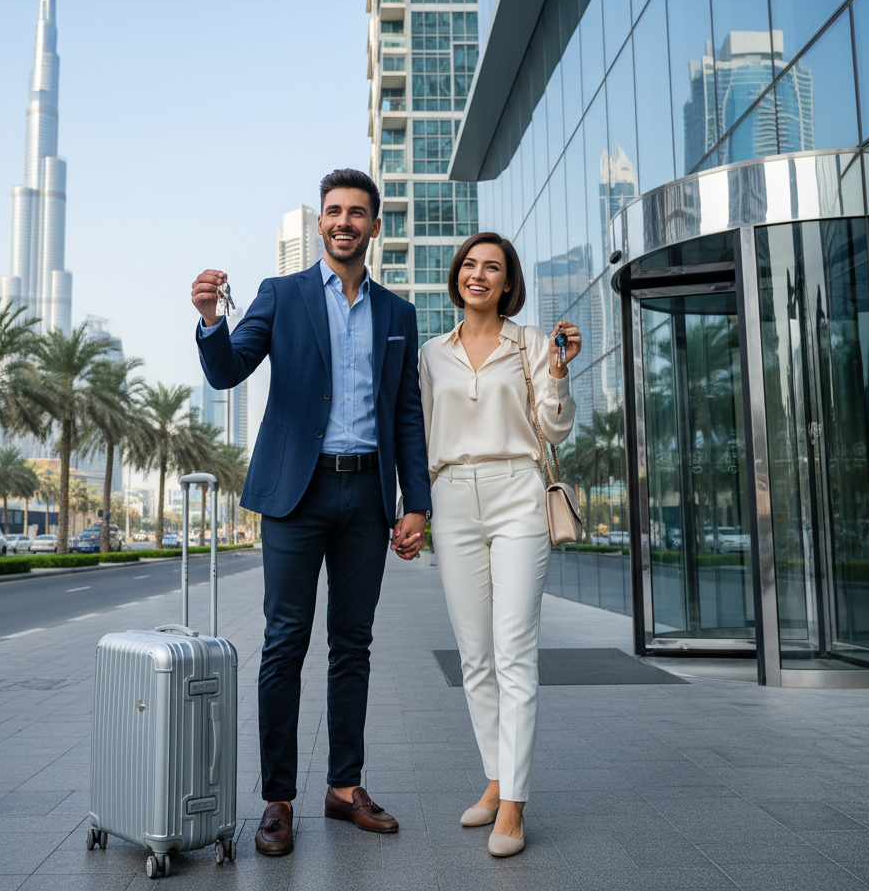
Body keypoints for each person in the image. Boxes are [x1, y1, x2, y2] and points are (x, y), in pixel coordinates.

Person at [192, 168, 432, 857]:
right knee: (284, 643)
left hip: (365, 495)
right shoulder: (283, 295)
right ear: (322, 223)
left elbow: (407, 414)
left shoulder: (397, 314)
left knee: (352, 644)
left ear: (374, 226)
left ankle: (345, 786)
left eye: (358, 212)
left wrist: (415, 502)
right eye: (334, 211)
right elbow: (229, 369)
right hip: (296, 494)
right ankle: (278, 798)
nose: (344, 222)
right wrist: (212, 322)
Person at [418, 231, 580, 858]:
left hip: (518, 491)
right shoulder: (432, 353)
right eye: (470, 265)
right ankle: (494, 778)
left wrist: (559, 376)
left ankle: (514, 804)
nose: (478, 274)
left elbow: (555, 428)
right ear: (457, 275)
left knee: (514, 649)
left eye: (493, 267)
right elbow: (422, 428)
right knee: (474, 654)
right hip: (452, 495)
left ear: (507, 283)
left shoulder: (533, 345)